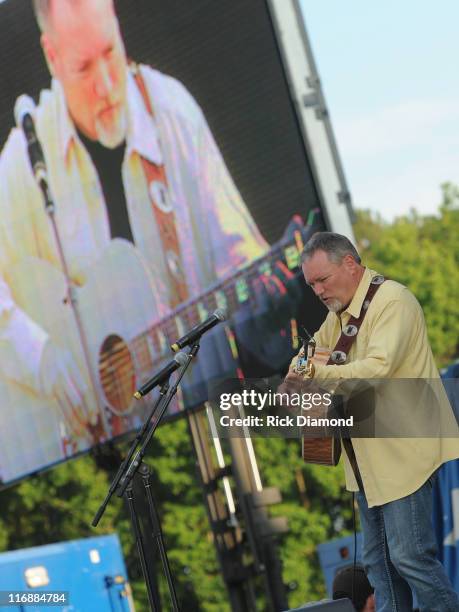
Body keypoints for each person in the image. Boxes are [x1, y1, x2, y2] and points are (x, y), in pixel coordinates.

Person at [0, 0, 268, 481]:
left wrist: (265, 286)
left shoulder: (170, 112)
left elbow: (237, 253)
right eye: (83, 67)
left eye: (110, 52)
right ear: (52, 57)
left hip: (201, 426)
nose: (106, 85)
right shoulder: (24, 159)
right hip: (98, 461)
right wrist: (42, 358)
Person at [284, 232, 459, 611]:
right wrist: (298, 376)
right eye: (311, 283)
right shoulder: (338, 317)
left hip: (403, 453)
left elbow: (377, 369)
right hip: (368, 462)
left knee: (410, 557)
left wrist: (317, 374)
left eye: (322, 280)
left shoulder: (392, 301)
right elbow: (309, 359)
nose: (317, 290)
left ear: (350, 263)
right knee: (379, 567)